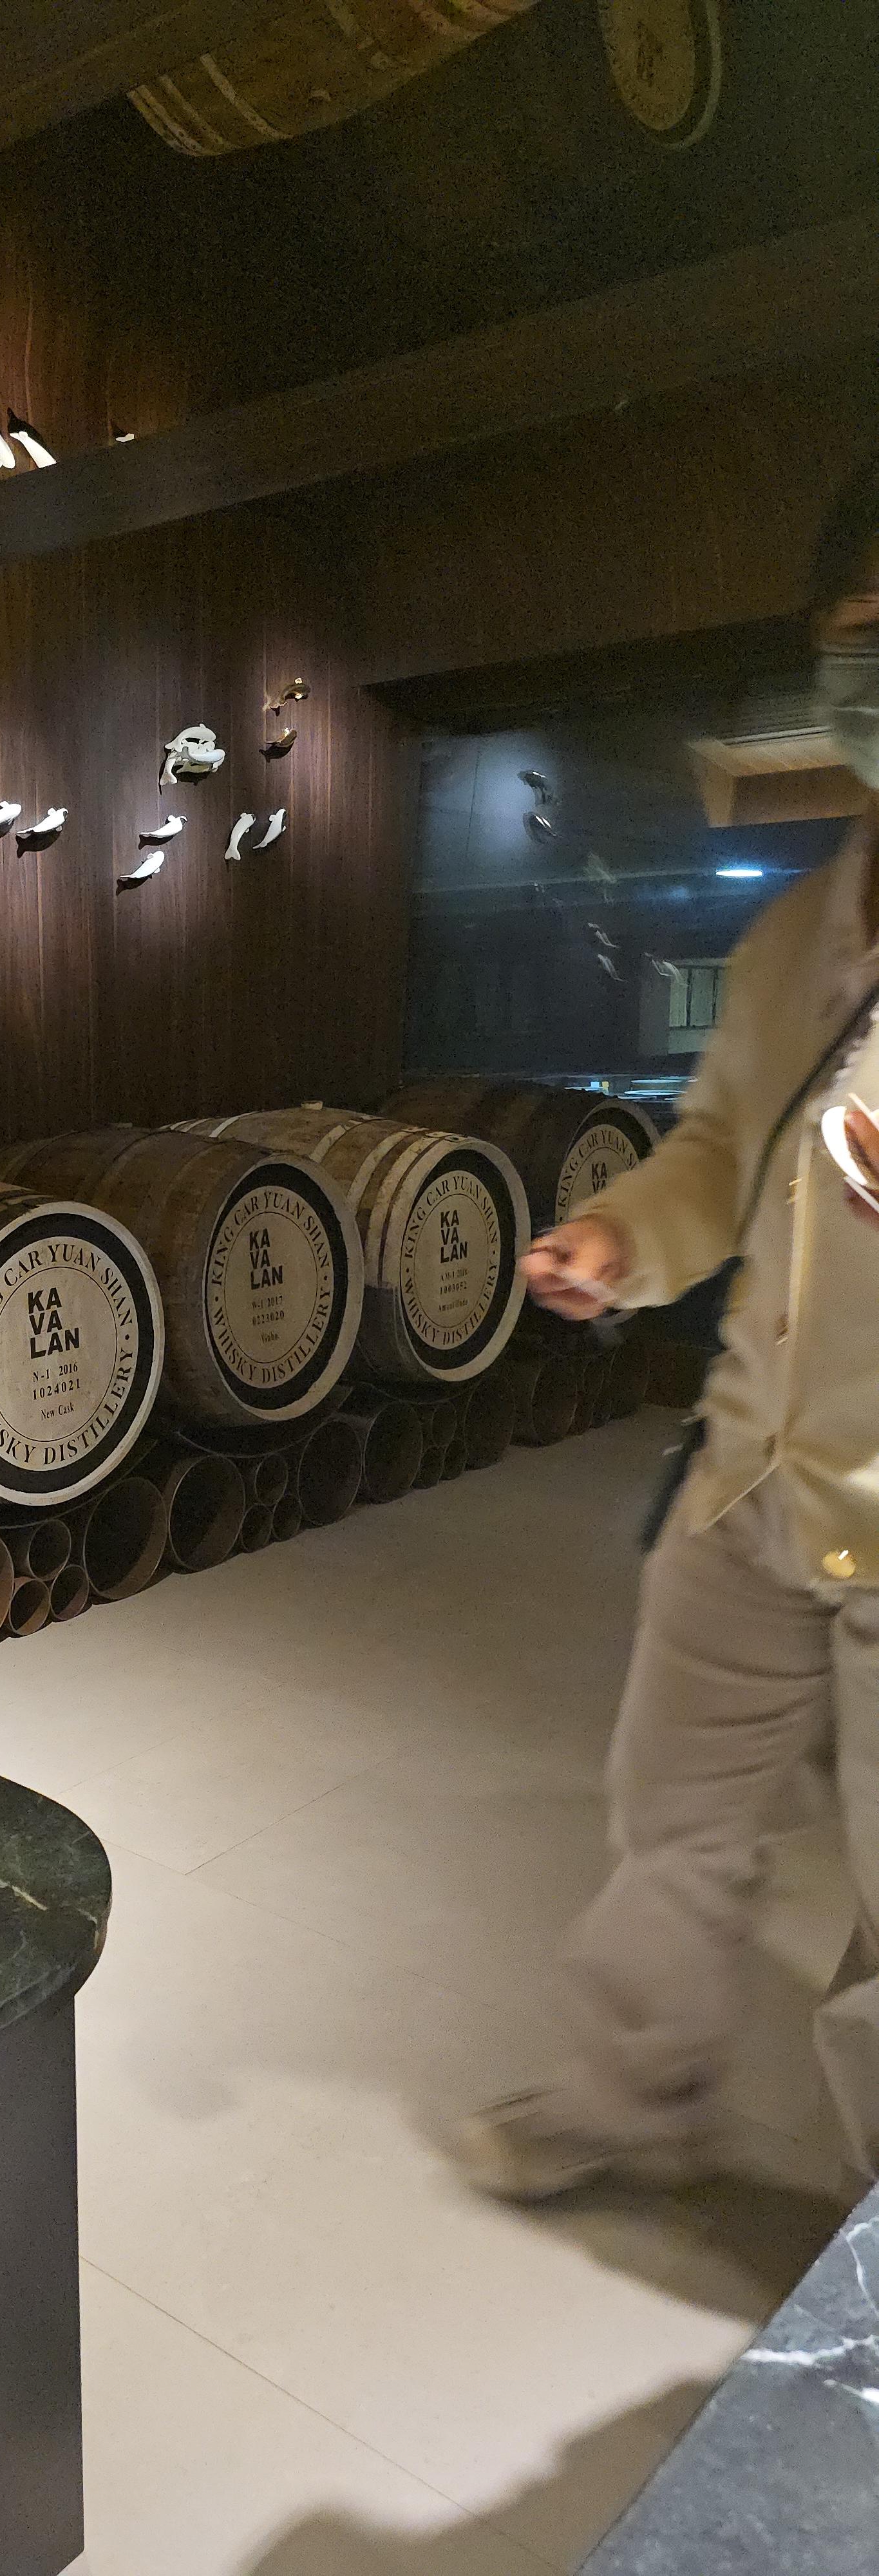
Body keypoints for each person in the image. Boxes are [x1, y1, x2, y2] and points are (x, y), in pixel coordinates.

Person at [455, 449, 879, 2201]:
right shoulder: (795, 936)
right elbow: (719, 1152)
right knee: (672, 1821)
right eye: (856, 636)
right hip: (750, 1476)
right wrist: (619, 1240)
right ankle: (630, 2099)